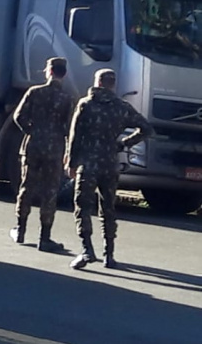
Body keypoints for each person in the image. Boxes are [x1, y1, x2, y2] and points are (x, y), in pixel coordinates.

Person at [66, 69, 153, 270]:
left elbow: (75, 134)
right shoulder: (122, 107)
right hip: (110, 164)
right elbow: (147, 129)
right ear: (113, 84)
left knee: (82, 206)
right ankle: (109, 254)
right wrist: (123, 144)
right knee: (108, 208)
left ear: (98, 82)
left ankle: (87, 249)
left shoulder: (86, 104)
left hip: (88, 163)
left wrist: (70, 161)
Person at [9, 57, 74, 252]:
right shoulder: (67, 99)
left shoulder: (34, 92)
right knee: (50, 191)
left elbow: (18, 116)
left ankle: (20, 229)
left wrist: (31, 131)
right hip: (54, 148)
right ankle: (44, 237)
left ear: (50, 71)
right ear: (64, 74)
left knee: (27, 187)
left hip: (33, 145)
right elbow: (69, 127)